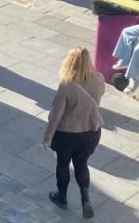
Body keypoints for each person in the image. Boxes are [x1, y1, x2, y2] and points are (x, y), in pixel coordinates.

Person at [44, 47, 104, 220]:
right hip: (91, 132)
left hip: (67, 134)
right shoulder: (99, 80)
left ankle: (61, 196)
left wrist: (47, 138)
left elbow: (55, 116)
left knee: (63, 164)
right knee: (82, 163)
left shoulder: (66, 85)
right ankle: (85, 196)